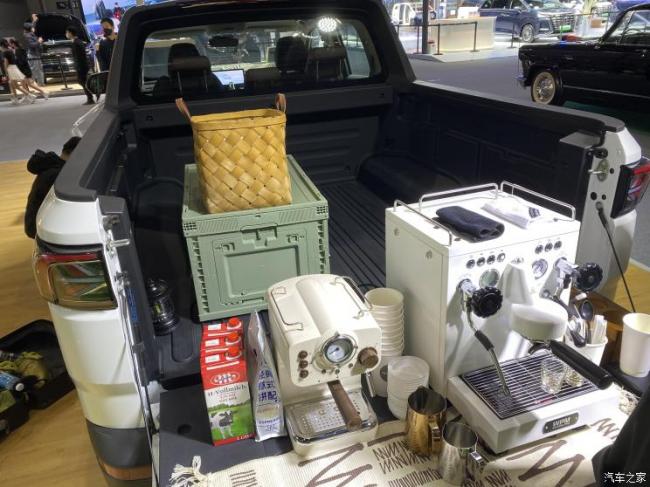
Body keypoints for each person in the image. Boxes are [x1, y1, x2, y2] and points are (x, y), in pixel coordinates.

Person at [24, 137, 82, 239]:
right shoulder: (58, 175)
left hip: (32, 220)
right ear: (75, 154)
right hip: (37, 226)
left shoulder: (52, 164)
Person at [65, 26, 94, 105]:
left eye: (67, 32)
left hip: (81, 66)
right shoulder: (76, 42)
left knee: (82, 81)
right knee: (82, 81)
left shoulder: (77, 43)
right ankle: (90, 96)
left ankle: (90, 97)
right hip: (81, 65)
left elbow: (80, 56)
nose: (66, 34)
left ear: (71, 33)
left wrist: (79, 66)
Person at [0, 39, 35, 105]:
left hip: (10, 69)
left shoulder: (5, 53)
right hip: (14, 68)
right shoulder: (10, 50)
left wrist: (5, 73)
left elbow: (5, 63)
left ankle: (30, 96)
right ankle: (16, 99)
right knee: (13, 85)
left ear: (2, 46)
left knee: (15, 86)